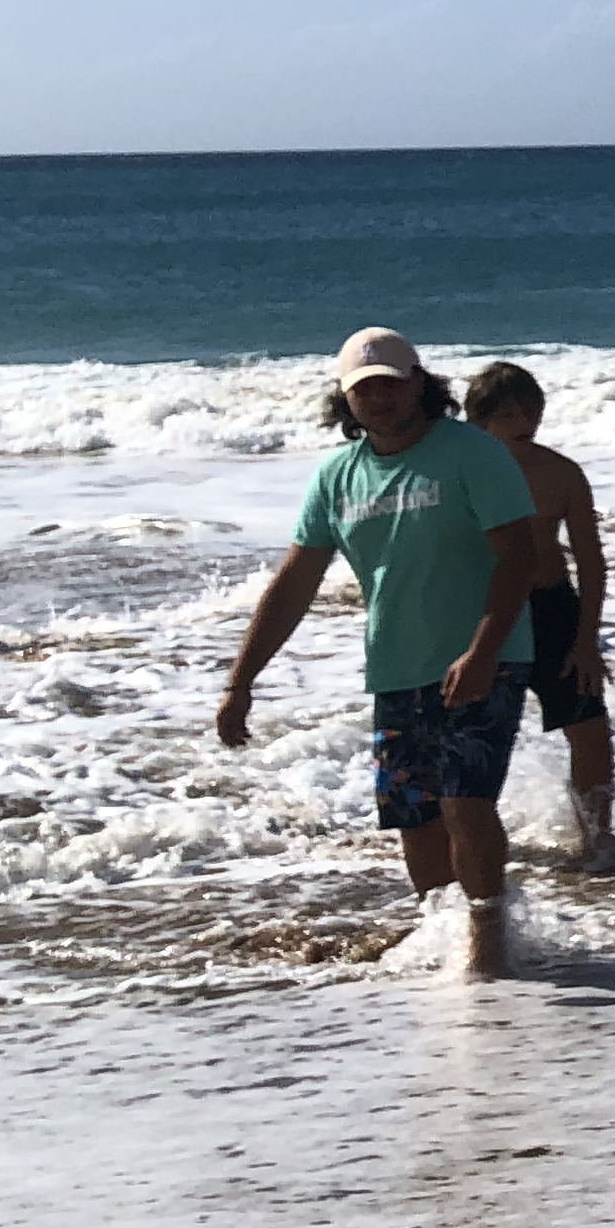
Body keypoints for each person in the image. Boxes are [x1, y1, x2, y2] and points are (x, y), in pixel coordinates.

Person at [213, 327, 545, 977]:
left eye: (392, 383)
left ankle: (489, 944)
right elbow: (292, 585)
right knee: (416, 822)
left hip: (488, 656)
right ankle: (442, 935)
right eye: (365, 390)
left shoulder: (471, 454)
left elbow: (519, 558)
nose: (381, 398)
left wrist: (482, 650)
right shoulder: (337, 477)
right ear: (346, 400)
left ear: (420, 382)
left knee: (463, 802)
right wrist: (240, 680)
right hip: (397, 667)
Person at [462, 360, 615, 867]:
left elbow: (591, 560)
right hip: (486, 612)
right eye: (509, 413)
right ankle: (473, 845)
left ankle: (596, 838)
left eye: (531, 411)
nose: (523, 422)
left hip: (553, 606)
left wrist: (587, 639)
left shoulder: (560, 472)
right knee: (476, 735)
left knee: (591, 726)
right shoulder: (462, 473)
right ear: (479, 419)